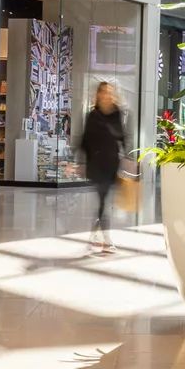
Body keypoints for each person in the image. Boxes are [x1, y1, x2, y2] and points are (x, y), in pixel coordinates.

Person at [79, 80, 126, 253]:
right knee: (103, 200)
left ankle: (94, 234)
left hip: (112, 162)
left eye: (110, 92)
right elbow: (85, 140)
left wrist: (128, 157)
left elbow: (122, 136)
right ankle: (106, 239)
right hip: (97, 164)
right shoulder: (93, 115)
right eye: (104, 92)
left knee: (104, 201)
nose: (107, 95)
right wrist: (81, 162)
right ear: (99, 95)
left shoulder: (117, 113)